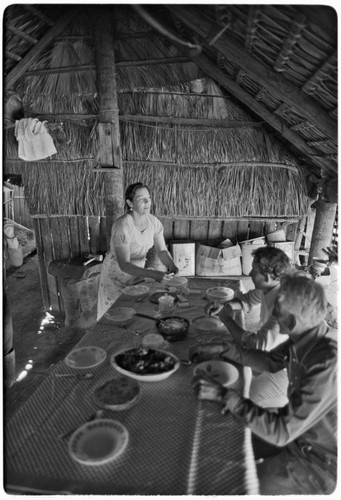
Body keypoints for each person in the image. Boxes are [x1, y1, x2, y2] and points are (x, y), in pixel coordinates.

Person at [192, 272, 337, 495]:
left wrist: (225, 396)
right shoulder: (304, 337)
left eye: (278, 311)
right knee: (224, 442)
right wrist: (222, 349)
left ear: (291, 321)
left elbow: (281, 431)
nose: (274, 315)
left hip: (314, 460)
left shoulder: (325, 364)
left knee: (234, 487)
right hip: (294, 434)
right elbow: (268, 361)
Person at [206, 246, 292, 408]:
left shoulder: (285, 302)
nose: (250, 274)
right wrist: (227, 307)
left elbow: (255, 343)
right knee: (231, 367)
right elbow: (247, 300)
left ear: (266, 277)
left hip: (291, 371)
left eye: (254, 270)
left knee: (246, 400)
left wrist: (226, 319)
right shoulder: (271, 286)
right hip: (273, 357)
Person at [97, 182, 178, 319]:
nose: (147, 202)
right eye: (141, 199)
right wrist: (154, 275)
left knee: (132, 312)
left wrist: (171, 265)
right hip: (116, 274)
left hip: (137, 273)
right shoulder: (123, 225)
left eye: (149, 197)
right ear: (130, 203)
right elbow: (124, 264)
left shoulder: (154, 222)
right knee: (113, 316)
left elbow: (162, 251)